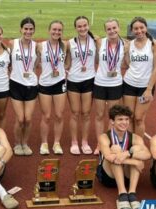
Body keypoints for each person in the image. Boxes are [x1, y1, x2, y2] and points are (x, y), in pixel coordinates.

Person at [97, 105, 150, 209]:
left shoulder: (135, 137)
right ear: (112, 121)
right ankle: (122, 194)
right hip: (108, 176)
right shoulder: (104, 137)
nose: (124, 122)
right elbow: (109, 157)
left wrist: (128, 153)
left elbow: (147, 154)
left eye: (126, 119)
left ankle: (131, 193)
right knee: (115, 150)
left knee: (137, 150)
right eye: (120, 119)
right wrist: (134, 161)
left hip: (127, 176)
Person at [123, 16, 156, 138]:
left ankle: (138, 144)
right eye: (136, 28)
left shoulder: (154, 44)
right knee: (129, 116)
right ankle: (129, 144)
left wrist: (149, 89)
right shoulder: (130, 44)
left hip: (145, 87)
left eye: (141, 27)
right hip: (129, 84)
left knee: (139, 118)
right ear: (132, 30)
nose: (139, 31)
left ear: (146, 28)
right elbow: (128, 65)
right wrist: (125, 52)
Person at [65, 16, 98, 155]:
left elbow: (98, 59)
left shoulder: (96, 41)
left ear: (88, 26)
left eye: (85, 25)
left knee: (86, 114)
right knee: (74, 113)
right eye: (79, 26)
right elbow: (67, 63)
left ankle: (84, 142)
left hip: (89, 80)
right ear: (75, 28)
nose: (82, 28)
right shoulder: (70, 43)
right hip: (73, 80)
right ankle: (74, 142)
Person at [93, 19, 126, 155]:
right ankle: (99, 144)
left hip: (116, 84)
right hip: (100, 82)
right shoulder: (100, 42)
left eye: (114, 28)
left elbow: (127, 63)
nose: (112, 31)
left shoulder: (126, 44)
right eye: (109, 29)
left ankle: (109, 143)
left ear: (119, 28)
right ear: (105, 31)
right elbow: (95, 60)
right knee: (99, 115)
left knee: (112, 116)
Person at [9, 17, 40, 156]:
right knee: (20, 118)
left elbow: (37, 64)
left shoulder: (37, 46)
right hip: (16, 84)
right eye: (26, 29)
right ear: (21, 29)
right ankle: (17, 143)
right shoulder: (12, 43)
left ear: (34, 30)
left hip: (31, 85)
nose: (28, 31)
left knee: (28, 119)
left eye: (31, 29)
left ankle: (24, 143)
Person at [37, 20, 67, 155]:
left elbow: (67, 62)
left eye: (59, 30)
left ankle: (56, 143)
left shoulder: (65, 45)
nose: (56, 32)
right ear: (49, 30)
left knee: (59, 115)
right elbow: (35, 62)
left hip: (60, 82)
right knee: (46, 116)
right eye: (54, 29)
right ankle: (44, 143)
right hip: (44, 83)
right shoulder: (40, 46)